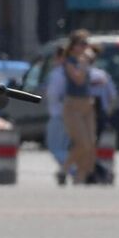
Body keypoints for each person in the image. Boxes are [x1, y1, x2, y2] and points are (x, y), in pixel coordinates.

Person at [43, 29, 91, 185]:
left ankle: (75, 173)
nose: (85, 47)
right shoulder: (70, 63)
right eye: (81, 44)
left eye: (86, 44)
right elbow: (76, 82)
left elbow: (84, 82)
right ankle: (70, 170)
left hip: (77, 107)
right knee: (75, 144)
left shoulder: (78, 63)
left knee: (82, 144)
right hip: (71, 108)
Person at [57, 46, 101, 186]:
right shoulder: (70, 62)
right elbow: (79, 80)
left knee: (91, 143)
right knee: (83, 143)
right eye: (81, 43)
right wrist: (83, 64)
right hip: (73, 105)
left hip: (87, 104)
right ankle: (64, 170)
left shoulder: (86, 61)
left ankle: (80, 177)